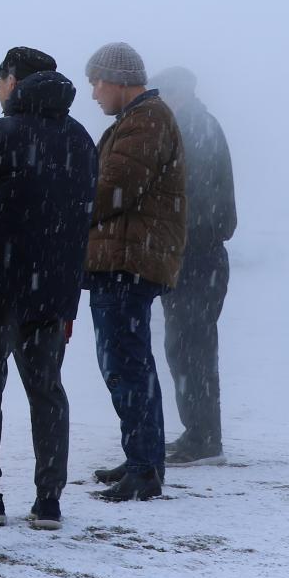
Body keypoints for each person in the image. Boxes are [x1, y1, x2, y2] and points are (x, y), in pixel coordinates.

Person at [0, 46, 97, 531]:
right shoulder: (81, 139)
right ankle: (48, 500)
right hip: (54, 289)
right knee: (47, 391)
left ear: (13, 81)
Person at [81, 42, 187, 502]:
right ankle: (142, 456)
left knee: (125, 364)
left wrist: (68, 205)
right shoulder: (143, 118)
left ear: (118, 80)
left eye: (96, 83)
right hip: (127, 260)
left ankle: (145, 468)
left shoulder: (146, 119)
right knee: (130, 363)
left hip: (127, 262)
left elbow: (112, 190)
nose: (93, 94)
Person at [155, 66, 236, 465]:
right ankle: (198, 431)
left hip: (195, 254)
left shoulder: (191, 129)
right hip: (197, 253)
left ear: (178, 92)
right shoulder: (198, 126)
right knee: (185, 347)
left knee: (192, 349)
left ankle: (205, 441)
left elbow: (195, 199)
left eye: (163, 91)